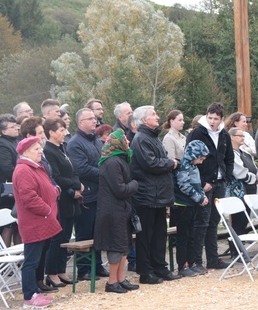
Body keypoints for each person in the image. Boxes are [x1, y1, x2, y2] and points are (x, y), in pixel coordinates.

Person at [130, 106, 180, 284]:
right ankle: (146, 271)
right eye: (153, 114)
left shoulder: (153, 137)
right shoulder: (141, 138)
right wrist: (171, 163)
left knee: (159, 234)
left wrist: (169, 162)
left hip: (159, 195)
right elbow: (150, 163)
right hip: (147, 196)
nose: (158, 117)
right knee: (146, 236)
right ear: (144, 120)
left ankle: (160, 267)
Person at [13, 136, 61, 309]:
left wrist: (53, 190)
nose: (41, 150)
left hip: (43, 220)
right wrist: (47, 210)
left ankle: (34, 292)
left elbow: (44, 186)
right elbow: (29, 198)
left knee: (37, 258)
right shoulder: (24, 170)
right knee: (31, 260)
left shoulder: (34, 167)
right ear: (25, 152)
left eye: (40, 147)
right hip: (35, 221)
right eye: (36, 149)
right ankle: (29, 296)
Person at [186, 103, 234, 272]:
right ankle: (197, 261)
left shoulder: (224, 134)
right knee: (201, 223)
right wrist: (200, 183)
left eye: (216, 118)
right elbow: (189, 159)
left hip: (219, 183)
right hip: (204, 183)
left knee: (214, 221)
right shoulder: (197, 133)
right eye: (210, 118)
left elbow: (229, 158)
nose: (212, 121)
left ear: (221, 119)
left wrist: (226, 177)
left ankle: (213, 259)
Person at [94, 130, 139, 293]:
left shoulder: (120, 159)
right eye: (125, 140)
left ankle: (121, 279)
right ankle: (111, 282)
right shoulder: (112, 162)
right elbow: (119, 189)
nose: (127, 142)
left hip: (121, 209)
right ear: (117, 143)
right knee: (116, 246)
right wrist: (135, 184)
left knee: (124, 245)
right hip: (112, 211)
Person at [66, 108, 108, 280]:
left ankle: (96, 265)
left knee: (98, 230)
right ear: (80, 122)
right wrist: (105, 173)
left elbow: (104, 159)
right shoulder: (75, 143)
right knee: (85, 232)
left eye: (94, 118)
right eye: (90, 118)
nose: (94, 121)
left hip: (100, 193)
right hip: (87, 194)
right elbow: (81, 168)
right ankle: (83, 269)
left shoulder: (97, 141)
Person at [42, 118, 81, 288]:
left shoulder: (63, 147)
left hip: (71, 197)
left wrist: (78, 184)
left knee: (65, 236)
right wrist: (75, 186)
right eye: (61, 130)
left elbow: (73, 171)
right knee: (56, 238)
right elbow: (56, 176)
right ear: (51, 132)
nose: (65, 133)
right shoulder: (49, 151)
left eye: (65, 130)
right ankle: (51, 273)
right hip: (61, 198)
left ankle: (61, 270)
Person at [171, 140, 210, 277]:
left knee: (192, 235)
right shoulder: (183, 166)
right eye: (200, 158)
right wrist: (199, 198)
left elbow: (197, 184)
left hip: (193, 204)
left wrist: (202, 196)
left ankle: (192, 262)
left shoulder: (193, 166)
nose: (201, 162)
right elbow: (184, 186)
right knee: (183, 237)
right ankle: (182, 265)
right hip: (182, 205)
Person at [228, 127, 258, 257]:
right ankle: (236, 252)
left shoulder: (244, 152)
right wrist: (255, 178)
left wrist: (257, 175)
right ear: (231, 137)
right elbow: (239, 173)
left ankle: (241, 250)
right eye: (240, 135)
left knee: (244, 221)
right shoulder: (231, 153)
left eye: (243, 135)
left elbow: (253, 167)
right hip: (238, 193)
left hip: (249, 191)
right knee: (238, 221)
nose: (243, 138)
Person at [0, 114, 20, 247]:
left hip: (18, 187)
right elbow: (7, 168)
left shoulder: (15, 142)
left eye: (16, 126)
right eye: (12, 127)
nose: (16, 128)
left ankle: (20, 258)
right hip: (8, 190)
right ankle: (6, 260)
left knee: (18, 226)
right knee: (9, 226)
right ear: (3, 131)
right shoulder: (1, 146)